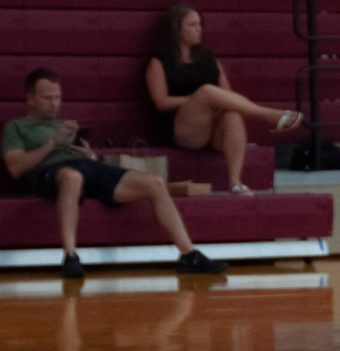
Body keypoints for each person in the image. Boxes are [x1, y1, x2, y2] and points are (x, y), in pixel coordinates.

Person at [2, 68, 229, 279]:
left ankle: (189, 255)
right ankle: (70, 256)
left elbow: (91, 161)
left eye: (57, 98)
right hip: (48, 173)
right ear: (30, 98)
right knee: (73, 177)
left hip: (85, 166)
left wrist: (90, 154)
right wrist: (53, 143)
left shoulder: (65, 125)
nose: (54, 104)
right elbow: (16, 167)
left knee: (155, 183)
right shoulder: (16, 127)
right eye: (47, 98)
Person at [146, 3, 303, 195]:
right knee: (206, 92)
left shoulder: (208, 58)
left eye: (199, 24)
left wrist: (210, 101)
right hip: (184, 128)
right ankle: (269, 115)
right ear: (176, 28)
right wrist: (198, 100)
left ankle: (235, 181)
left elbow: (228, 95)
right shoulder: (159, 61)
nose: (199, 29)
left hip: (214, 128)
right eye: (192, 25)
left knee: (232, 114)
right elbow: (161, 102)